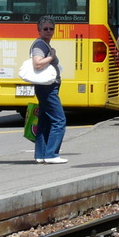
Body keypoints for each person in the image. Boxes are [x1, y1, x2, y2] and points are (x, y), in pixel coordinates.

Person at [30, 15, 67, 164]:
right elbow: (37, 63)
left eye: (51, 29)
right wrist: (51, 57)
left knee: (45, 121)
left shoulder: (44, 44)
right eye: (45, 28)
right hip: (47, 88)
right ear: (39, 30)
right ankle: (51, 154)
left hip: (46, 87)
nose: (48, 31)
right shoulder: (39, 45)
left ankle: (41, 154)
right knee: (59, 120)